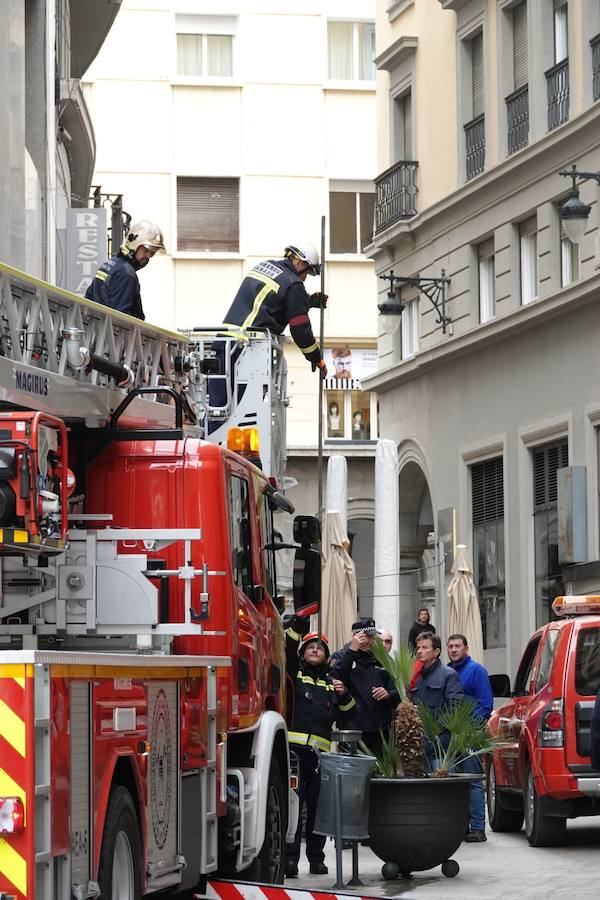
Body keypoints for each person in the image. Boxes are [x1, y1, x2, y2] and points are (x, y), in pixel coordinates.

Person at [285, 618, 356, 878]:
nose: (315, 650)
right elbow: (286, 651)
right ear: (303, 653)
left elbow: (350, 713)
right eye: (310, 647)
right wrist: (297, 627)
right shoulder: (294, 675)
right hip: (294, 754)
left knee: (317, 809)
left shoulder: (331, 683)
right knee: (294, 807)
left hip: (320, 759)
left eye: (320, 648)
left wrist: (343, 694)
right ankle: (290, 860)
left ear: (326, 656)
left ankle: (316, 859)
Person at [222, 242, 328, 377]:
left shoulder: (264, 266)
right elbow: (301, 331)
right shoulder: (293, 283)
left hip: (224, 341)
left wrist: (309, 301)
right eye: (307, 271)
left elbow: (271, 299)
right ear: (300, 261)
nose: (305, 277)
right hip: (249, 349)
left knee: (219, 390)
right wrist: (316, 358)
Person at [447, 633, 493, 843]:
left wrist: (468, 728)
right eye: (450, 646)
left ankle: (477, 828)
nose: (454, 649)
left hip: (471, 734)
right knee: (455, 782)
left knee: (473, 780)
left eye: (458, 646)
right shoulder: (447, 672)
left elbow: (486, 705)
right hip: (451, 735)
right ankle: (461, 826)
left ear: (466, 648)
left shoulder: (476, 670)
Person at [330, 617, 400, 756]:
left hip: (380, 730)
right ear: (354, 635)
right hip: (352, 727)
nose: (369, 641)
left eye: (372, 637)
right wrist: (352, 650)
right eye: (365, 636)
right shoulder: (341, 656)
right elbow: (336, 678)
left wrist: (388, 694)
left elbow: (399, 692)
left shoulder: (384, 659)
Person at [85, 220, 165, 320]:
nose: (148, 256)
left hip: (97, 326)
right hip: (111, 329)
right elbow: (121, 319)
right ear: (134, 244)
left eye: (152, 253)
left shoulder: (110, 263)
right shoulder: (127, 274)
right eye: (146, 250)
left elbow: (89, 297)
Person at [410, 632, 464, 763]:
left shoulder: (449, 675)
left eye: (424, 647)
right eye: (418, 648)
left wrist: (435, 729)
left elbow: (454, 709)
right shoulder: (416, 677)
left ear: (436, 652)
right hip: (419, 745)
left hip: (440, 746)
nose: (419, 651)